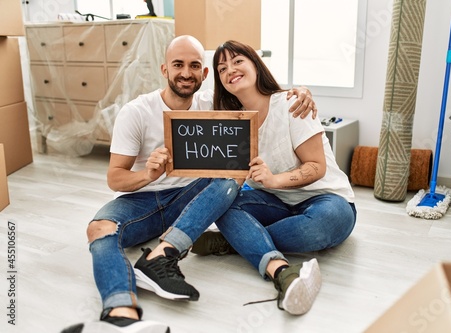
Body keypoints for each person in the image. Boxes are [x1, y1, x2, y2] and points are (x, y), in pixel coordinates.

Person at [61, 35, 317, 333]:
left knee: (233, 172)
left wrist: (300, 91)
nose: (186, 72)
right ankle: (121, 315)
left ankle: (161, 256)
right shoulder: (136, 112)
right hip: (142, 203)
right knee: (98, 228)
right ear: (164, 69)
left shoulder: (213, 102)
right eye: (178, 65)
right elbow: (114, 177)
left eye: (194, 65)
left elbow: (261, 96)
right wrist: (148, 175)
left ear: (204, 74)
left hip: (194, 200)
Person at [192, 40, 356, 316]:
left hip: (327, 200)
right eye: (221, 69)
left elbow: (317, 166)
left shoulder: (292, 104)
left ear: (255, 64)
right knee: (226, 206)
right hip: (273, 202)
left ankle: (234, 243)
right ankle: (269, 259)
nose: (230, 70)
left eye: (237, 61)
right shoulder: (229, 120)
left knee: (323, 224)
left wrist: (274, 180)